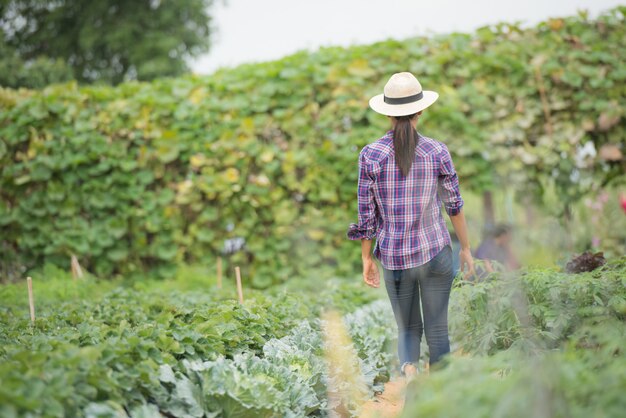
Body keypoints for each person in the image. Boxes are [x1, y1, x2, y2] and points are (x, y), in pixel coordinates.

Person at [346, 72, 475, 380]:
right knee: (438, 329)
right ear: (420, 110)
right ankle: (440, 397)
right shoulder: (437, 151)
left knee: (408, 328)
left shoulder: (371, 155)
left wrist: (366, 259)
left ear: (388, 113)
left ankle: (411, 374)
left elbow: (367, 216)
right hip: (435, 252)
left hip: (394, 257)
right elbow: (454, 205)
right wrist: (466, 249)